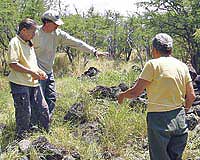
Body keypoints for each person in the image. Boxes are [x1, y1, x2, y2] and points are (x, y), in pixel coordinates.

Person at [118, 33, 196, 160]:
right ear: (171, 49)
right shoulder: (182, 66)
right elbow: (191, 96)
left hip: (158, 120)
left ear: (154, 50)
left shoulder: (153, 65)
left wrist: (122, 95)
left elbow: (135, 92)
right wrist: (183, 112)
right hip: (180, 119)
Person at [33, 10, 108, 118]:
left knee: (51, 97)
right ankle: (35, 125)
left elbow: (76, 43)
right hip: (37, 73)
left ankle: (46, 122)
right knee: (38, 100)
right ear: (47, 22)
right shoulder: (35, 33)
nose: (57, 26)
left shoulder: (58, 34)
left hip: (49, 72)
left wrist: (94, 51)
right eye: (55, 24)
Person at [8, 18, 50, 139]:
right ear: (24, 30)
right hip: (19, 84)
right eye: (33, 32)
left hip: (34, 83)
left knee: (43, 110)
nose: (34, 34)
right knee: (24, 113)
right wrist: (31, 72)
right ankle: (21, 141)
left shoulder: (29, 43)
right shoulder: (15, 42)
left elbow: (32, 64)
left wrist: (40, 72)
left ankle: (45, 137)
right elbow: (13, 63)